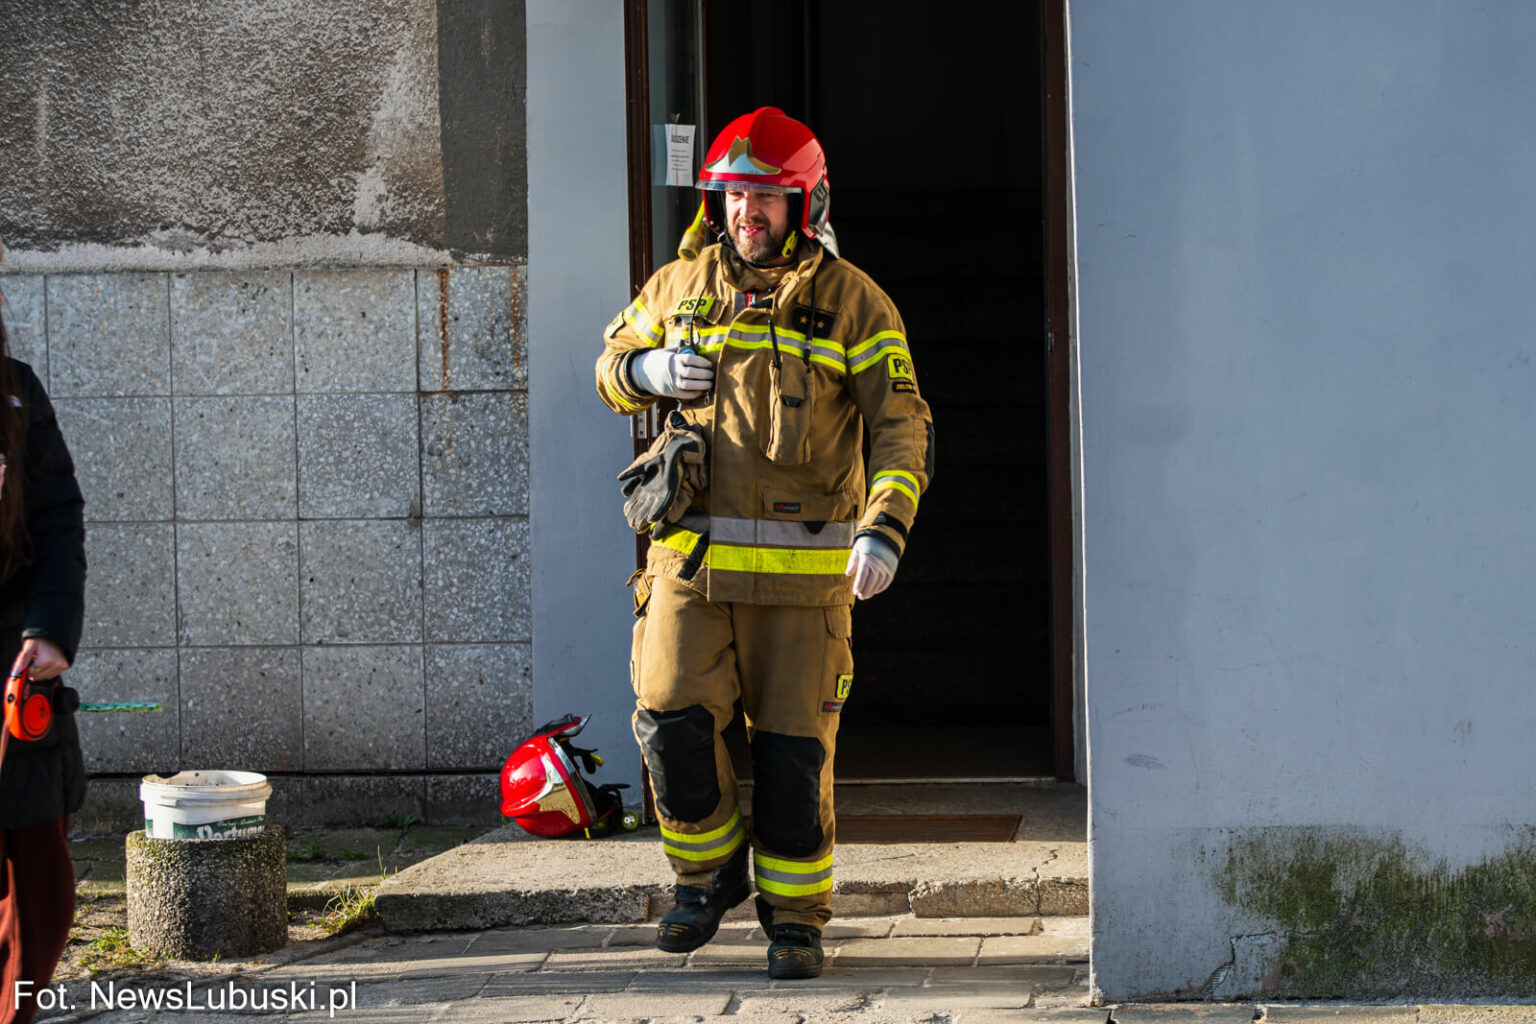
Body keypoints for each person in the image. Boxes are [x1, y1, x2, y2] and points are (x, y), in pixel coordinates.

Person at [596, 107, 933, 979]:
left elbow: (902, 425)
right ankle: (705, 880)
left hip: (805, 583)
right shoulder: (679, 286)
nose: (751, 212)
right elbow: (608, 366)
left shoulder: (854, 302)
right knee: (668, 719)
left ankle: (795, 920)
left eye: (770, 197)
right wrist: (647, 372)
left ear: (805, 202)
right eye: (737, 195)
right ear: (717, 202)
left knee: (792, 755)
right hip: (689, 569)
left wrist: (886, 531)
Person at [0, 251, 89, 1024]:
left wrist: (50, 633)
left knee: (41, 891)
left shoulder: (16, 392)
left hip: (13, 668)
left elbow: (57, 521)